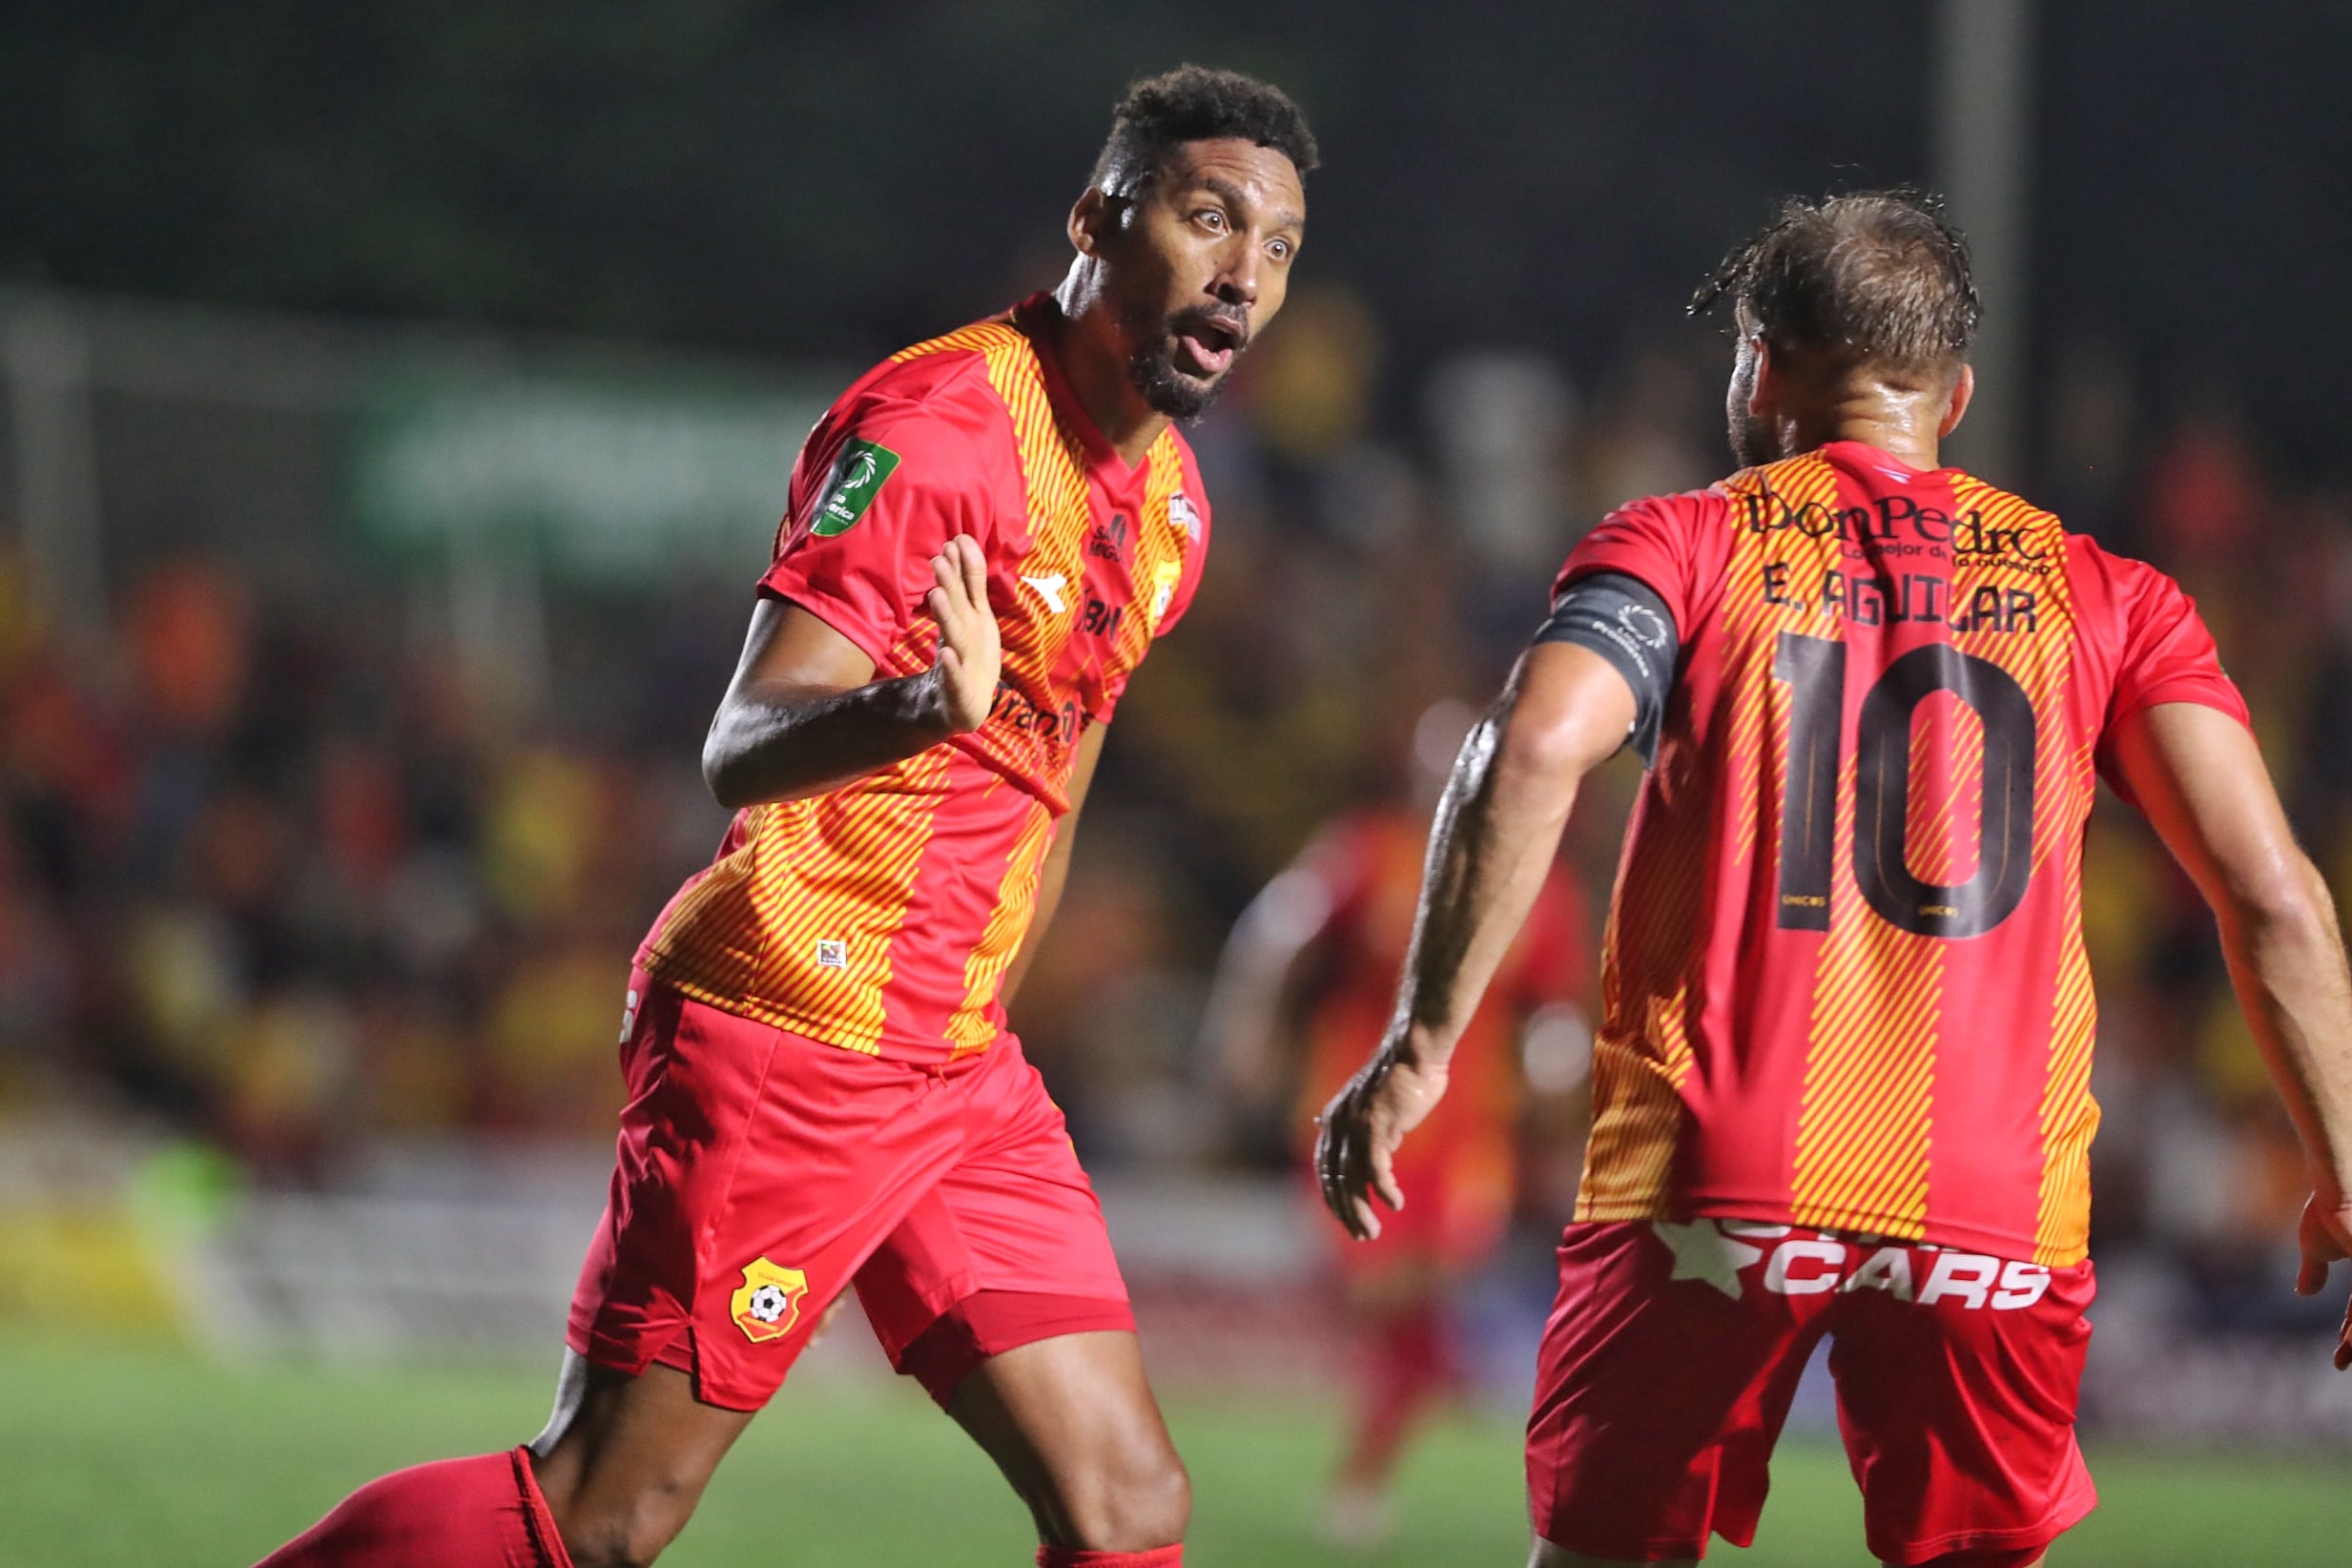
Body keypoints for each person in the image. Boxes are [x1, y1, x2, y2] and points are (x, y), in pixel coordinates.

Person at [259, 64, 1315, 1568]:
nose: (1243, 271)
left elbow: (1057, 768)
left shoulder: (1172, 509)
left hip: (955, 1072)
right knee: (604, 1515)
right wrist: (906, 711)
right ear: (1098, 217)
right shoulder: (943, 425)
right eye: (1209, 219)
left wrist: (983, 1015)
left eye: (1275, 247)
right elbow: (740, 741)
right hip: (790, 1032)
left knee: (1127, 1508)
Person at [1313, 188, 2352, 1568]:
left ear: (1761, 363)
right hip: (1989, 1206)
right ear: (1955, 394)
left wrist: (1423, 1039)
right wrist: (2340, 1162)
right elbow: (2268, 894)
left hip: (1711, 1185)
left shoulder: (1682, 544)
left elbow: (1527, 750)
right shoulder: (2109, 595)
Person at [1204, 707, 1592, 1548]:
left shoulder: (1536, 878)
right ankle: (1383, 1457)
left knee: (1420, 1297)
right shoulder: (1367, 853)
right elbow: (1281, 940)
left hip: (1468, 1133)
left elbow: (1559, 1004)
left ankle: (1362, 1481)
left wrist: (1557, 1087)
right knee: (1383, 1298)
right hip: (1356, 1113)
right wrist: (1248, 1032)